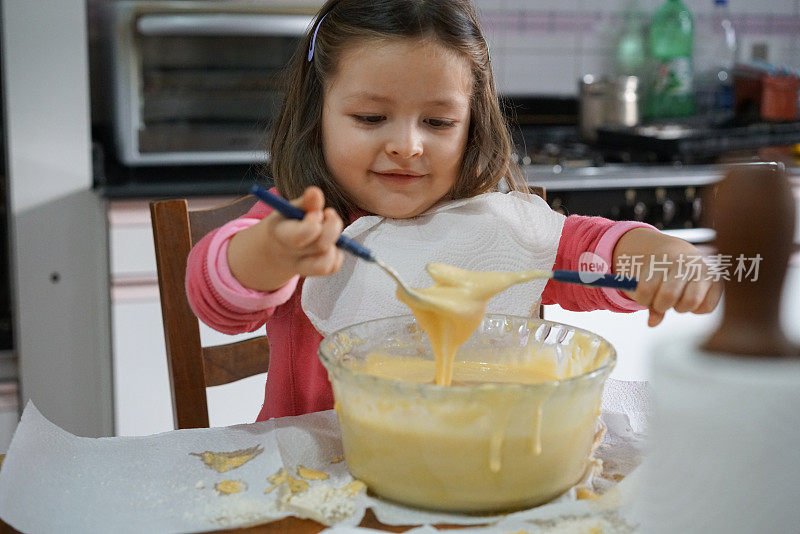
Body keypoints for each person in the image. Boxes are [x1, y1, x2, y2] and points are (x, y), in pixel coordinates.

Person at [186, 0, 722, 421]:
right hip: (320, 483)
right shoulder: (309, 230)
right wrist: (269, 253)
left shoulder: (498, 228)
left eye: (439, 123)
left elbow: (589, 253)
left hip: (480, 466)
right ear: (317, 115)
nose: (407, 145)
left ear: (472, 124)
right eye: (371, 118)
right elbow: (218, 297)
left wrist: (658, 254)